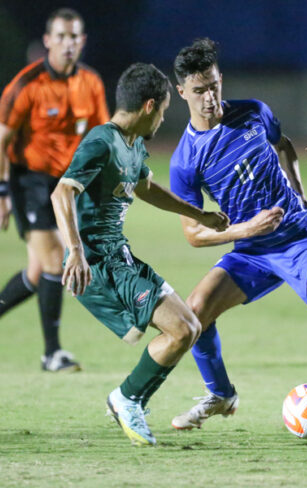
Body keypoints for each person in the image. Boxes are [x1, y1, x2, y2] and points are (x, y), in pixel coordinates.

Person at [168, 38, 307, 444]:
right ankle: (220, 394)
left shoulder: (253, 111)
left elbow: (284, 144)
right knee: (193, 314)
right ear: (181, 92)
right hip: (251, 250)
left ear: (222, 80)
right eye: (199, 91)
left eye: (214, 86)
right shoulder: (186, 159)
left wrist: (301, 196)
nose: (210, 98)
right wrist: (246, 231)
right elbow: (193, 234)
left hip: (297, 236)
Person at [50, 63, 229, 446]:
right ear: (149, 106)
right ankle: (127, 398)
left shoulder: (131, 144)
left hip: (121, 257)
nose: (164, 119)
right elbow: (62, 192)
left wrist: (200, 215)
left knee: (190, 327)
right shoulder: (101, 141)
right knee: (180, 329)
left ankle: (130, 399)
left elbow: (147, 188)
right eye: (163, 111)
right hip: (98, 264)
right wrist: (77, 252)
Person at [0, 8, 109, 371]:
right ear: (48, 41)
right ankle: (51, 353)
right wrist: (0, 192)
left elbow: (102, 134)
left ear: (82, 41)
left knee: (39, 272)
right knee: (57, 258)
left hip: (67, 182)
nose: (68, 44)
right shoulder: (27, 85)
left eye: (75, 37)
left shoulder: (91, 82)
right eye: (61, 36)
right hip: (29, 182)